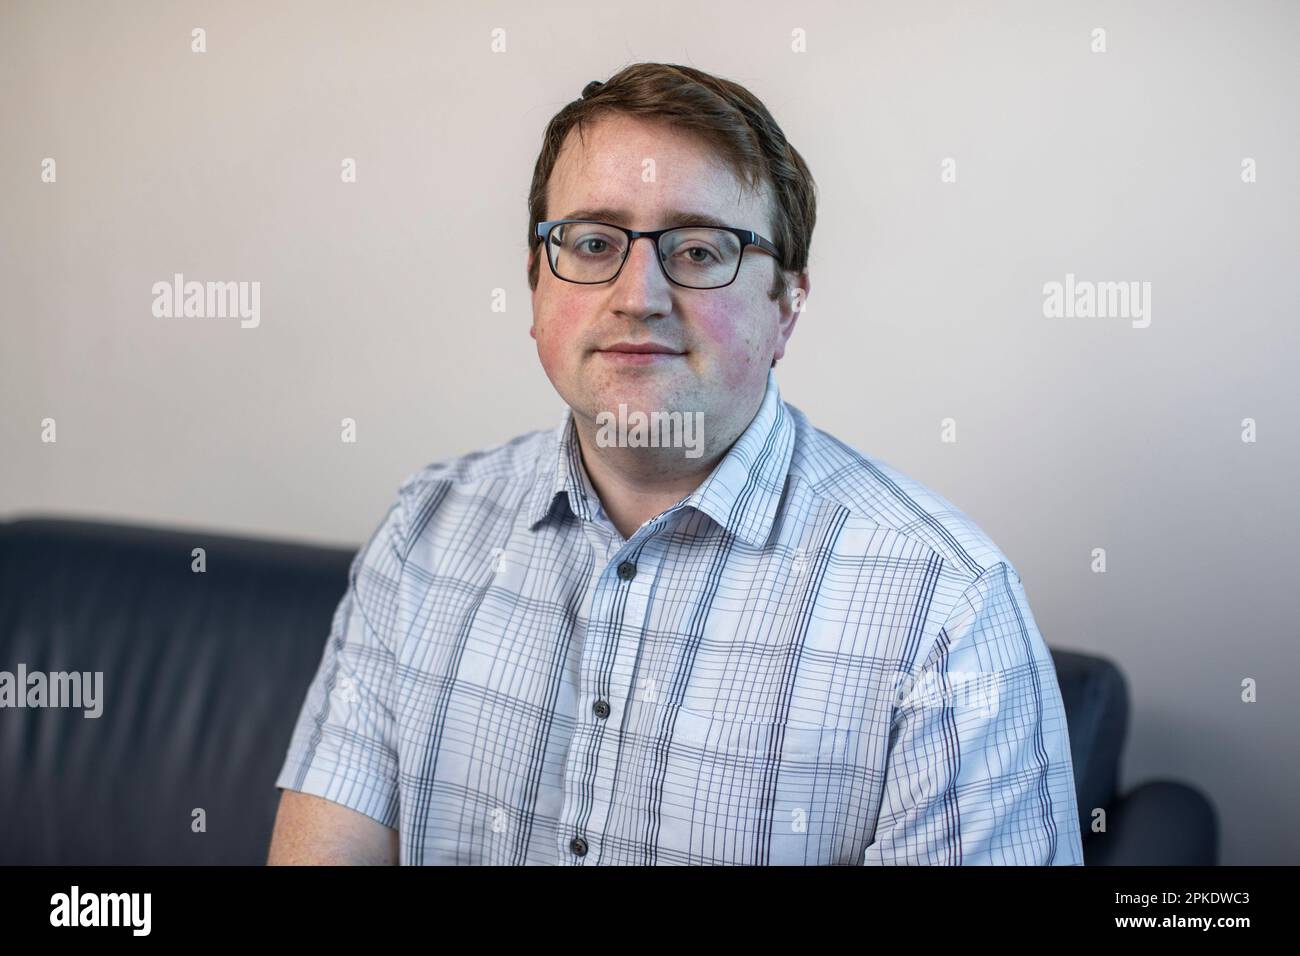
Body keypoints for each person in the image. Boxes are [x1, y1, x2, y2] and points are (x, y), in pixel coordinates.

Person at [267, 62, 1084, 865]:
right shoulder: (425, 530)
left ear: (786, 306)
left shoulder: (947, 609)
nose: (638, 294)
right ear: (534, 285)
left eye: (697, 251)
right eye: (592, 242)